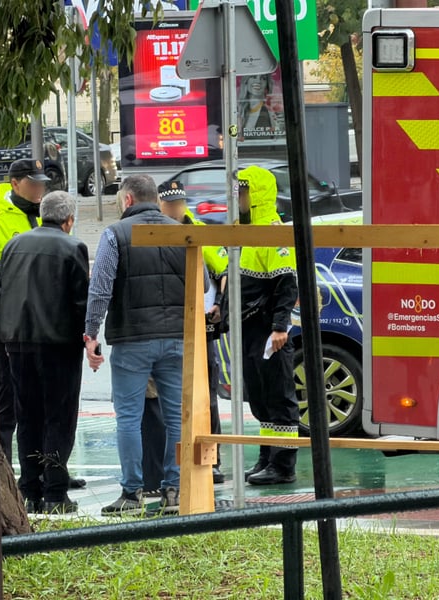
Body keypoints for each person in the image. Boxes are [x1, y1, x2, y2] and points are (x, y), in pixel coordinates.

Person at [84, 174, 206, 515]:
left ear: (127, 200)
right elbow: (202, 283)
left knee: (128, 418)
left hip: (132, 340)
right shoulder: (181, 232)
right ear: (156, 199)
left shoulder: (115, 234)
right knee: (177, 417)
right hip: (177, 339)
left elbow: (101, 288)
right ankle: (174, 490)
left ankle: (132, 493)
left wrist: (91, 332)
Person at [0, 191, 89, 514]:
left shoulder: (14, 244)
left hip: (17, 342)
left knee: (28, 415)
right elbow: (80, 301)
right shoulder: (73, 247)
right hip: (58, 344)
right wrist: (88, 337)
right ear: (69, 220)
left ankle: (30, 488)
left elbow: (0, 293)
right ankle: (55, 492)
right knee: (59, 417)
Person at [157, 180, 227, 484]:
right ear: (160, 204)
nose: (176, 209)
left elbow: (224, 270)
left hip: (200, 326)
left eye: (179, 203)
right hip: (167, 325)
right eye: (170, 204)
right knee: (171, 399)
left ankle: (212, 460)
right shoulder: (155, 232)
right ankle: (173, 464)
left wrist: (220, 304)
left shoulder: (200, 230)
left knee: (206, 397)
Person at [236, 165, 300, 485]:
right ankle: (267, 456)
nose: (239, 199)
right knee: (260, 397)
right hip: (252, 328)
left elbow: (287, 284)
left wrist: (279, 327)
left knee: (279, 396)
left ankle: (283, 465)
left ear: (257, 194)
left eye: (243, 192)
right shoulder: (247, 232)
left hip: (268, 329)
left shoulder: (274, 234)